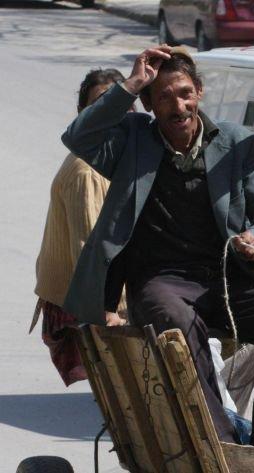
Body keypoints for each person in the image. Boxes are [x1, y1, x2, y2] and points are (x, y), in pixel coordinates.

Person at [60, 46, 254, 448]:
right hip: (161, 281)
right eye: (163, 97)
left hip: (226, 281)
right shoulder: (131, 141)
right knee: (177, 322)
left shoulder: (235, 141)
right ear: (148, 103)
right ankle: (221, 446)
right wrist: (131, 83)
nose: (178, 106)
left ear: (199, 91)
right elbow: (78, 136)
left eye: (184, 93)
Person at [33, 68, 128, 387]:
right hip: (88, 301)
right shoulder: (87, 171)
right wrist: (115, 308)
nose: (115, 111)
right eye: (103, 104)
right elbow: (89, 249)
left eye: (122, 102)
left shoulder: (117, 159)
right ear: (86, 116)